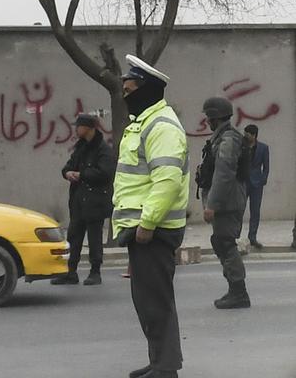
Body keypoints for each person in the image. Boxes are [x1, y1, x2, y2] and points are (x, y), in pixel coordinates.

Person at [113, 54, 188, 378]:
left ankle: (166, 367)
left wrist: (147, 223)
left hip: (154, 229)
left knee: (155, 301)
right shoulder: (145, 122)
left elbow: (167, 179)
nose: (125, 94)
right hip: (143, 228)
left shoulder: (161, 126)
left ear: (146, 89)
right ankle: (159, 360)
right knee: (148, 300)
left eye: (128, 88)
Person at [52, 113, 115, 286]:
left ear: (89, 128)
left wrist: (82, 175)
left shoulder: (103, 150)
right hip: (79, 201)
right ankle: (70, 272)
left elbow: (105, 173)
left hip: (95, 202)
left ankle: (95, 272)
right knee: (74, 237)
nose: (76, 129)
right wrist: (68, 173)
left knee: (94, 239)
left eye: (79, 126)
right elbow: (68, 165)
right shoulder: (80, 148)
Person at [199, 97, 250, 309]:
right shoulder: (221, 138)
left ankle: (238, 292)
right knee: (221, 242)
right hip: (226, 200)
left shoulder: (228, 140)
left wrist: (212, 205)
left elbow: (224, 174)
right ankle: (235, 289)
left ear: (214, 117)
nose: (207, 121)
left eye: (208, 117)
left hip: (227, 202)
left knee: (225, 243)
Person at [242, 124, 270, 249]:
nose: (245, 136)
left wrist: (263, 180)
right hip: (243, 182)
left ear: (254, 135)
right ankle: (236, 236)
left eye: (248, 134)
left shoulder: (263, 148)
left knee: (255, 211)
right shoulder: (242, 147)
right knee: (239, 210)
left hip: (256, 184)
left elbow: (266, 166)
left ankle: (252, 237)